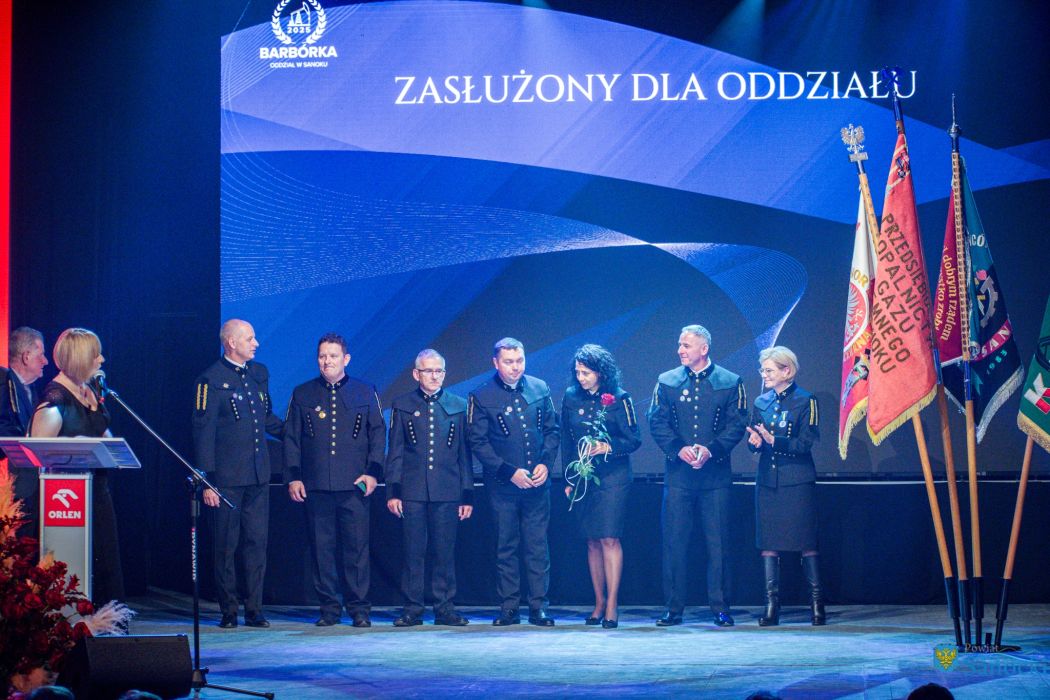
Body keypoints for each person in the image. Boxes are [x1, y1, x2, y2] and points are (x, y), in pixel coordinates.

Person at [647, 324, 747, 627]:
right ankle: (673, 608)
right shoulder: (666, 381)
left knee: (719, 545)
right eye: (680, 344)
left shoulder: (730, 381)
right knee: (674, 543)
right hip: (679, 477)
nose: (680, 350)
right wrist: (678, 449)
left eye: (686, 345)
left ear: (704, 349)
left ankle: (721, 607)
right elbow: (657, 422)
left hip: (715, 478)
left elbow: (737, 424)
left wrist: (711, 450)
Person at [284, 332, 385, 627]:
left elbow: (378, 434)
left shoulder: (365, 391)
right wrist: (293, 477)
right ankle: (329, 608)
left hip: (355, 485)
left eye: (333, 356)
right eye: (322, 356)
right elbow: (292, 439)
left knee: (356, 551)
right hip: (316, 485)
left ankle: (359, 609)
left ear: (346, 359)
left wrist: (373, 472)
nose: (327, 361)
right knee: (321, 550)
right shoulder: (302, 393)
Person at [192, 319, 283, 629]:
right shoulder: (210, 379)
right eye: (249, 338)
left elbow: (265, 417)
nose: (256, 344)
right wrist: (208, 481)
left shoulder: (259, 373)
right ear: (231, 343)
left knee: (256, 544)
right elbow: (203, 432)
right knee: (225, 546)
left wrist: (294, 434)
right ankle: (229, 609)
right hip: (227, 479)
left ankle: (254, 609)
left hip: (258, 474)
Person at [467, 338, 559, 626]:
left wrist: (545, 464)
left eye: (520, 361)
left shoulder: (539, 388)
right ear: (496, 363)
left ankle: (538, 607)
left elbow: (552, 431)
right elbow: (478, 442)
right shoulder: (481, 395)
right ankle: (509, 607)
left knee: (537, 547)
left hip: (537, 485)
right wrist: (509, 472)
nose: (515, 367)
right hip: (503, 487)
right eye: (509, 362)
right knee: (505, 546)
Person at [30, 328, 123, 604]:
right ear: (81, 358)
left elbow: (100, 431)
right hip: (67, 498)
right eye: (96, 355)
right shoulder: (55, 399)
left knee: (105, 555)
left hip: (97, 490)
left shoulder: (89, 390)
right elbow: (38, 454)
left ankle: (107, 622)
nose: (102, 360)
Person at [386, 349, 473, 626]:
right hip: (412, 492)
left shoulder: (458, 405)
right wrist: (393, 492)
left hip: (448, 491)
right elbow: (395, 453)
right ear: (416, 374)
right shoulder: (402, 405)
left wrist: (467, 495)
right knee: (413, 552)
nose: (434, 376)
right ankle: (412, 608)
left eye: (439, 371)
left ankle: (444, 608)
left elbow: (464, 455)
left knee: (444, 552)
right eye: (428, 371)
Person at [560, 344, 641, 629]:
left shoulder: (620, 397)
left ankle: (612, 605)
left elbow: (634, 439)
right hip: (583, 477)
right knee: (592, 540)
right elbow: (566, 440)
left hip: (613, 478)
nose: (581, 378)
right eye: (578, 372)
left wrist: (608, 446)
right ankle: (598, 602)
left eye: (586, 373)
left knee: (608, 538)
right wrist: (569, 478)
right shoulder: (570, 397)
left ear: (601, 372)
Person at [746, 346, 825, 626]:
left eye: (769, 370)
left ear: (786, 371)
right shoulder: (761, 402)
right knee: (769, 544)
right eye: (762, 370)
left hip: (797, 481)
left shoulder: (806, 401)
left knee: (807, 543)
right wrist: (755, 443)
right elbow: (754, 440)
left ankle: (817, 605)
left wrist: (773, 441)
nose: (764, 375)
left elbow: (805, 443)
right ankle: (772, 606)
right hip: (769, 482)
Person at [0, 327, 48, 535]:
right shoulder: (4, 382)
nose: (45, 361)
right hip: (14, 485)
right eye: (41, 354)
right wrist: (27, 443)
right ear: (26, 356)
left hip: (32, 485)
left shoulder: (31, 390)